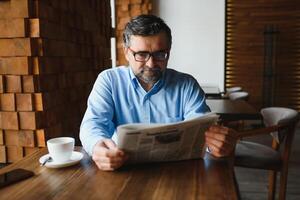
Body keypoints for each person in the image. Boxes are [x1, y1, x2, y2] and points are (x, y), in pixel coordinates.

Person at [80, 14, 237, 171]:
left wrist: (216, 144)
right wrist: (97, 147)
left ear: (168, 52)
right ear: (127, 52)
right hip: (123, 168)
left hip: (179, 172)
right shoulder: (109, 81)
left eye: (159, 54)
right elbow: (93, 124)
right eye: (141, 54)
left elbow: (201, 131)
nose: (151, 63)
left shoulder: (186, 85)